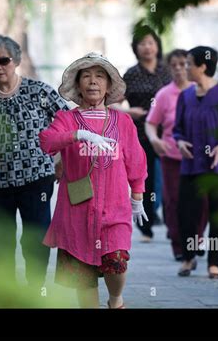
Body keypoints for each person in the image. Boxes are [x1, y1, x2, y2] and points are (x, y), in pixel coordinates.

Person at [39, 53, 148, 308]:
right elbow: (46, 141)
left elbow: (136, 161)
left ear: (108, 86)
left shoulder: (122, 121)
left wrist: (138, 197)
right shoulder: (65, 119)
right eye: (86, 76)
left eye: (100, 76)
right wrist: (77, 134)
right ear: (78, 85)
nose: (92, 82)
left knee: (117, 262)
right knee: (84, 276)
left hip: (115, 210)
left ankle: (115, 299)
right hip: (77, 212)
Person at [0, 34, 69, 289]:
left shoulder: (40, 92)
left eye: (4, 60)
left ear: (17, 60)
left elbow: (68, 125)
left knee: (35, 237)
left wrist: (62, 161)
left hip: (37, 179)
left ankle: (35, 292)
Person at [173, 46, 218, 279]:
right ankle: (188, 257)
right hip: (191, 165)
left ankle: (215, 263)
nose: (185, 68)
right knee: (186, 213)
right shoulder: (185, 96)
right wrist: (180, 142)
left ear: (202, 67)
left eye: (188, 64)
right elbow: (178, 129)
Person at [145, 49, 208, 261]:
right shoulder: (163, 94)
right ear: (169, 68)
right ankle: (179, 245)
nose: (180, 69)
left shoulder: (199, 90)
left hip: (198, 156)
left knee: (203, 199)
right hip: (171, 155)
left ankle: (196, 238)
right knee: (173, 201)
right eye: (175, 65)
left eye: (184, 64)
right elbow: (151, 123)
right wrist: (155, 140)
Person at [123, 25, 171, 242]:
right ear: (136, 48)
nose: (147, 47)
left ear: (157, 46)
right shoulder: (131, 74)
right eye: (142, 43)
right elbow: (112, 101)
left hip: (169, 133)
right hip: (141, 133)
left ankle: (174, 225)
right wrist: (128, 111)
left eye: (150, 42)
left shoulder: (167, 70)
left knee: (172, 179)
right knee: (146, 180)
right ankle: (147, 227)